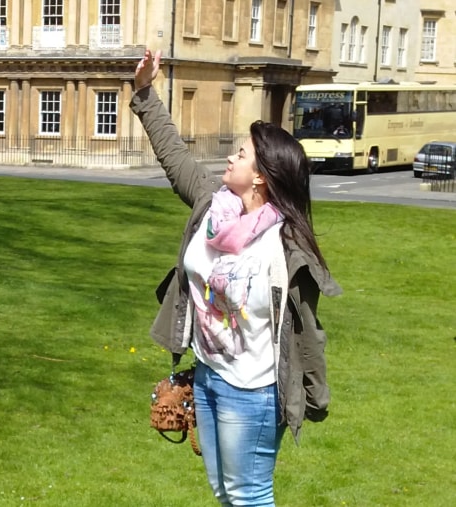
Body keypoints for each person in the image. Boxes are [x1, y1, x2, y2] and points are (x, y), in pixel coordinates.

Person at [131, 49, 341, 506]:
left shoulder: (286, 248)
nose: (230, 156)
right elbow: (174, 157)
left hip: (255, 392)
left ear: (262, 176)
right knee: (224, 492)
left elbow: (306, 332)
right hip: (208, 377)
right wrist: (145, 92)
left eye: (240, 153)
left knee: (248, 495)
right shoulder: (213, 208)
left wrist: (312, 397)